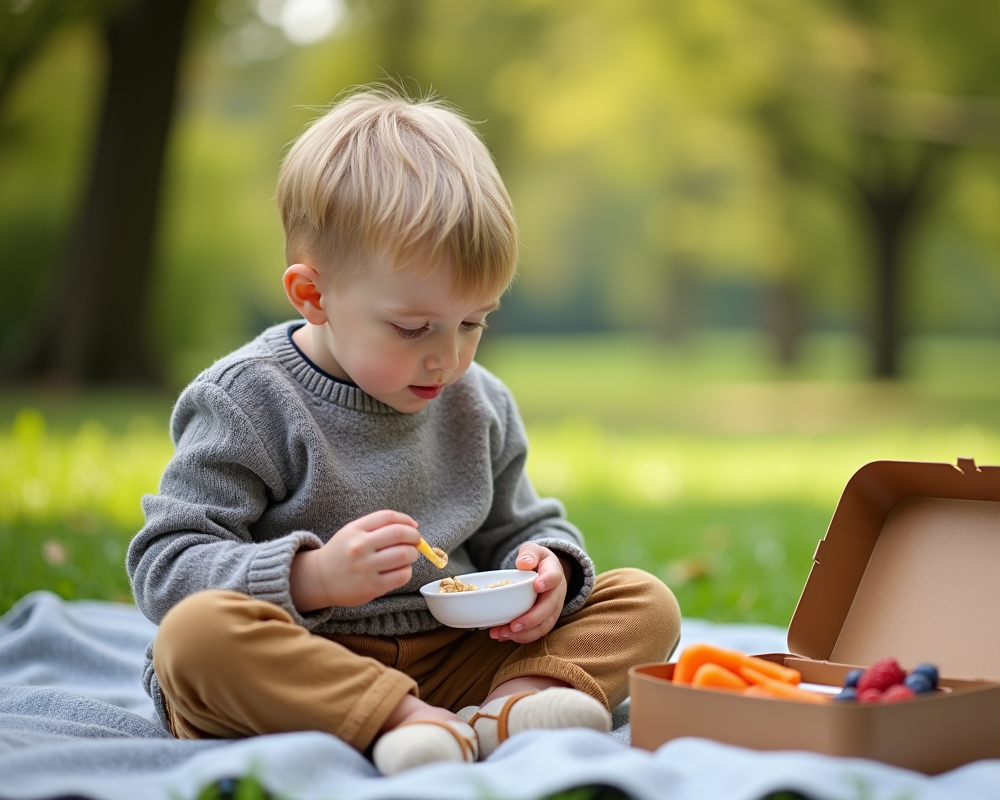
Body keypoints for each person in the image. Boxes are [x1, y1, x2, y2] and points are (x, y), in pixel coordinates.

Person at [125, 85, 682, 775]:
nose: (447, 357)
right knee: (194, 640)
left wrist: (547, 572)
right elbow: (166, 563)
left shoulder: (476, 402)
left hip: (452, 658)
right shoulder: (250, 400)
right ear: (313, 295)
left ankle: (513, 705)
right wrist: (312, 576)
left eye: (473, 322)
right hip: (306, 662)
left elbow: (523, 527)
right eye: (413, 328)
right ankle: (402, 720)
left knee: (644, 602)